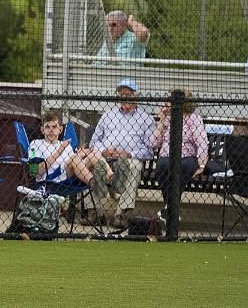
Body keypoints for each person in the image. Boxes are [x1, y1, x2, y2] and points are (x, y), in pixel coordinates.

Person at [84, 79, 156, 229]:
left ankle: (120, 213)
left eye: (128, 94)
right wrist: (104, 150)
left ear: (136, 97)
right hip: (105, 157)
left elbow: (149, 150)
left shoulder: (146, 119)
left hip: (128, 159)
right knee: (88, 162)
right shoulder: (108, 115)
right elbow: (94, 142)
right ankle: (95, 212)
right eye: (122, 94)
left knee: (135, 166)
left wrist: (129, 154)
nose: (125, 98)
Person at [151, 87, 209, 220]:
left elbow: (202, 143)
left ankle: (169, 207)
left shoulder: (193, 119)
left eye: (169, 99)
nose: (166, 102)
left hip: (187, 158)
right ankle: (171, 208)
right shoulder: (167, 118)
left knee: (184, 166)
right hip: (167, 157)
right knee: (162, 165)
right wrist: (161, 120)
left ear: (181, 102)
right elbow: (153, 144)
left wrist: (201, 165)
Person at [30, 110, 113, 186]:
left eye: (54, 127)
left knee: (94, 154)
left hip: (72, 178)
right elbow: (34, 172)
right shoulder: (35, 144)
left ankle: (112, 179)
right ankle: (95, 185)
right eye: (47, 127)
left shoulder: (66, 145)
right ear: (42, 130)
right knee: (74, 159)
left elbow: (75, 165)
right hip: (51, 180)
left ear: (60, 129)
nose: (51, 130)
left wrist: (79, 155)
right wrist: (58, 152)